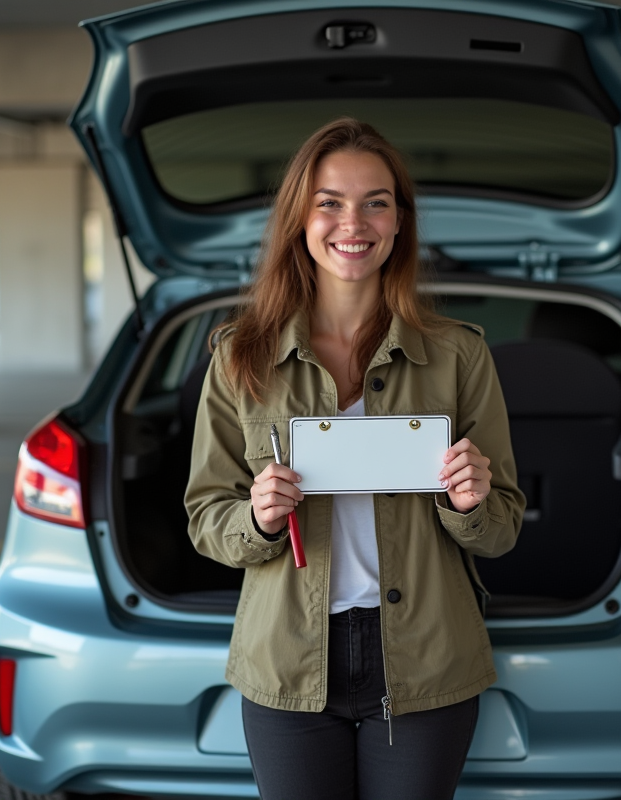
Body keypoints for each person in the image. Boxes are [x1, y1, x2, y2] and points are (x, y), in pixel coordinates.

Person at [184, 117, 525, 800]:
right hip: (287, 664)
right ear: (299, 220)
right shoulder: (239, 357)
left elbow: (503, 527)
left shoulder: (460, 355)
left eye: (377, 201)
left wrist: (471, 503)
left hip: (425, 661)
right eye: (330, 202)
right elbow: (206, 517)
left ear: (400, 221)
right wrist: (256, 518)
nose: (354, 221)